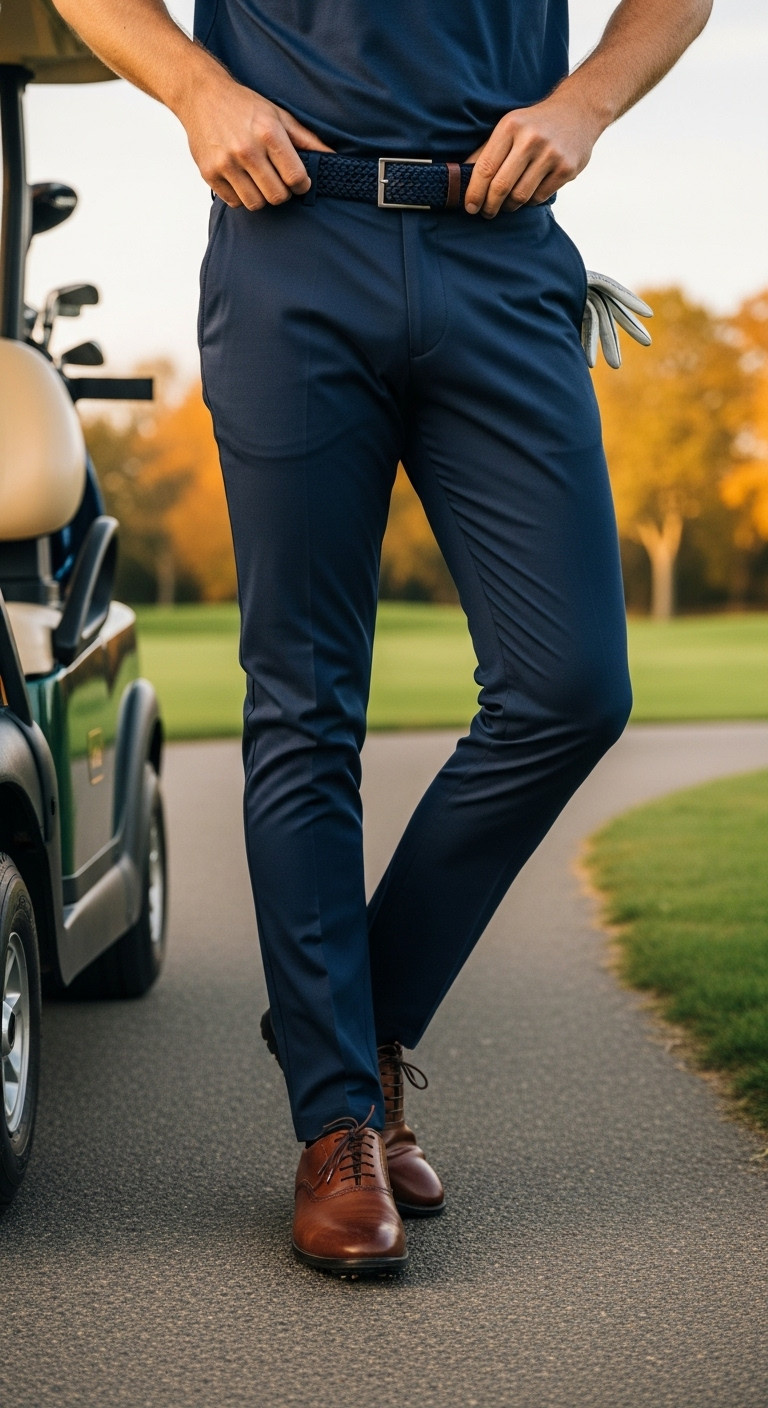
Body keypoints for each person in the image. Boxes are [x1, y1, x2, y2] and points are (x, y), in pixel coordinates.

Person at [55, 0, 712, 1277]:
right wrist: (196, 90)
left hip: (502, 243)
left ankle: (347, 1034)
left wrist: (582, 106)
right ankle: (338, 1123)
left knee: (571, 684)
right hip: (291, 237)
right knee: (304, 704)